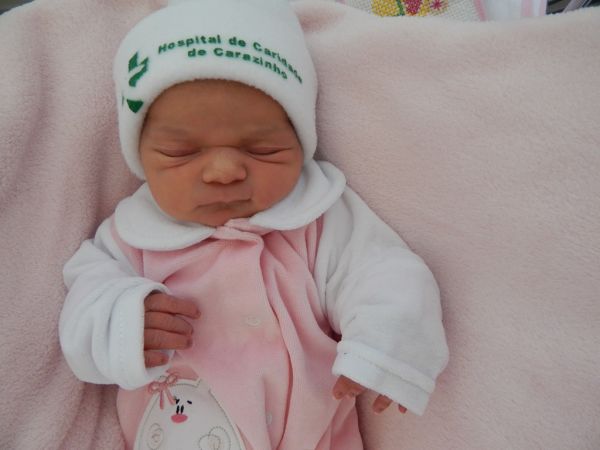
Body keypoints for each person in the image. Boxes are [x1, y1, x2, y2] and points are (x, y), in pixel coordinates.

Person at [59, 0, 449, 448]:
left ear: (300, 140)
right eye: (181, 152)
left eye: (262, 149)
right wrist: (122, 320)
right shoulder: (131, 237)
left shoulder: (318, 218)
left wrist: (383, 343)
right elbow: (83, 307)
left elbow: (385, 272)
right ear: (141, 157)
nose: (224, 170)